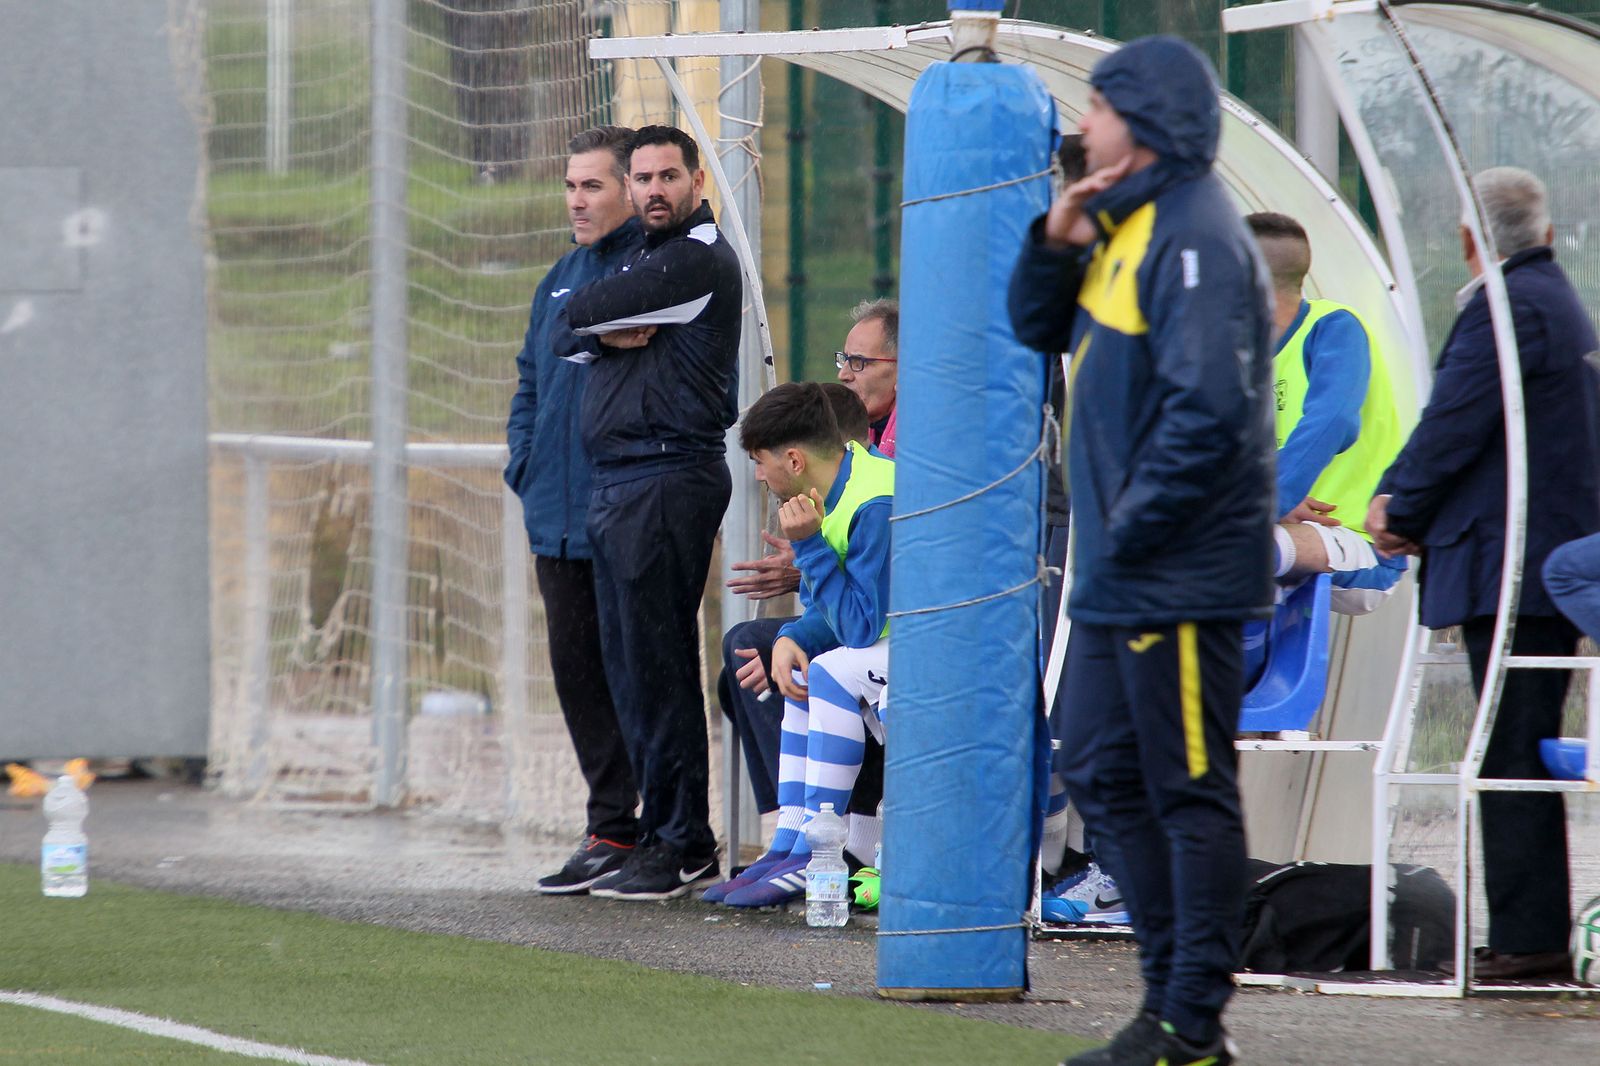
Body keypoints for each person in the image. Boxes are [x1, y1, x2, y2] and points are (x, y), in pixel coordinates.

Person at [1009, 36, 1274, 1066]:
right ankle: (1166, 1004)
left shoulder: (1198, 233)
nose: (1084, 124)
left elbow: (1206, 416)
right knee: (1104, 770)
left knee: (1185, 790)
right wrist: (1059, 231)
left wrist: (1127, 532)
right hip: (1125, 572)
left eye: (1099, 108)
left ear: (1149, 118)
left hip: (1172, 568)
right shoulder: (1122, 222)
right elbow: (1034, 325)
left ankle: (1189, 1023)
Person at [1368, 166, 1600, 980]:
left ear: (1471, 239)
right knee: (1519, 743)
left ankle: (1529, 941)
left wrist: (1399, 509)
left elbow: (1455, 418)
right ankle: (1528, 931)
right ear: (1546, 231)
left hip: (1511, 562)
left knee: (1509, 750)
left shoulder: (1504, 309)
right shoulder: (1556, 302)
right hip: (1544, 556)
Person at [553, 125, 742, 901]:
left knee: (660, 667)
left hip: (667, 476)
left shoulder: (696, 256)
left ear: (698, 180)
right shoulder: (644, 257)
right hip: (621, 482)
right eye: (642, 178)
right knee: (630, 668)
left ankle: (683, 841)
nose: (654, 189)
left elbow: (589, 310)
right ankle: (660, 834)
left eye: (669, 175)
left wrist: (608, 322)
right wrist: (605, 326)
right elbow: (575, 323)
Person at [504, 125, 642, 894]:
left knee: (637, 674)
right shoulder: (559, 275)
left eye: (592, 185)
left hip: (620, 511)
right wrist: (524, 464)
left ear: (629, 190)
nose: (577, 200)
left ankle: (659, 829)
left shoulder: (651, 271)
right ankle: (609, 825)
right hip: (553, 514)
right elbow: (530, 380)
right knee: (579, 677)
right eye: (570, 185)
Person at [702, 382, 894, 909]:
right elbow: (828, 611)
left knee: (829, 672)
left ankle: (820, 855)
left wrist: (807, 545)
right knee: (804, 667)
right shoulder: (832, 483)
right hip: (887, 647)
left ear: (793, 458)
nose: (759, 476)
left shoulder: (874, 503)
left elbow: (858, 626)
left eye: (761, 463)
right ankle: (790, 841)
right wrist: (791, 636)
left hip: (942, 653)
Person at [1246, 211, 1407, 618]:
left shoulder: (1333, 327)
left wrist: (1269, 498)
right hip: (1282, 525)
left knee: (1234, 549)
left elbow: (1334, 420)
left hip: (1359, 542)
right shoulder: (1237, 355)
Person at [835, 299, 900, 457]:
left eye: (858, 362)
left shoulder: (925, 449)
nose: (843, 375)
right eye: (845, 359)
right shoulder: (844, 435)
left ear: (903, 370)